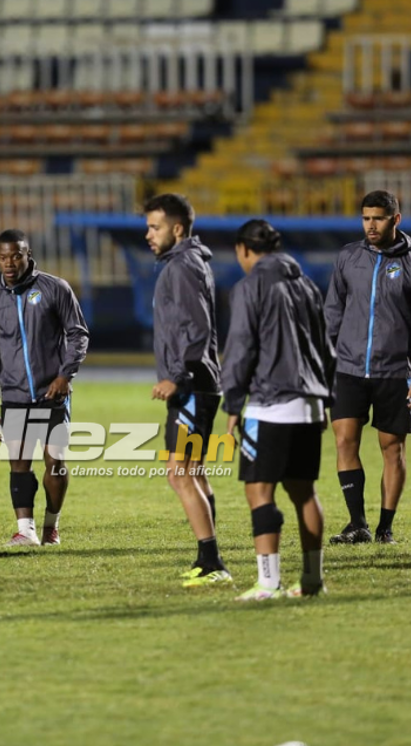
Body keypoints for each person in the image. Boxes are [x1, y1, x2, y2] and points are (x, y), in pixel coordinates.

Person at [222, 220, 336, 601]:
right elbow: (326, 347)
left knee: (259, 490)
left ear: (244, 249)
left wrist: (234, 402)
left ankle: (267, 583)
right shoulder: (305, 285)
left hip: (271, 404)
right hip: (309, 403)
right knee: (304, 492)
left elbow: (241, 347)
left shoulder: (250, 286)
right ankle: (311, 579)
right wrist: (325, 400)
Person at [324, 190, 411, 544]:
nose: (371, 225)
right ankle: (357, 523)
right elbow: (332, 312)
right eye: (366, 218)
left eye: (378, 218)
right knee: (344, 441)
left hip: (394, 372)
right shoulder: (348, 257)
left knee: (392, 449)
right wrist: (323, 359)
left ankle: (385, 527)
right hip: (348, 369)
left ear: (395, 220)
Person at [0, 229, 90, 546]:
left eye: (15, 255)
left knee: (56, 463)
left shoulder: (55, 289)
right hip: (13, 397)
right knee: (19, 464)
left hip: (52, 394)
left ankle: (51, 526)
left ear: (28, 254)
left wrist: (66, 375)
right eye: (2, 257)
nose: (9, 263)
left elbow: (79, 334)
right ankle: (25, 531)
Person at [144, 193, 231, 587]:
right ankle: (207, 557)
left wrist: (176, 377)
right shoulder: (187, 263)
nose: (149, 234)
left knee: (179, 473)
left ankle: (213, 562)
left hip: (193, 383)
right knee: (191, 470)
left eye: (155, 227)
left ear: (177, 229)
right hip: (199, 382)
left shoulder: (181, 267)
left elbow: (194, 330)